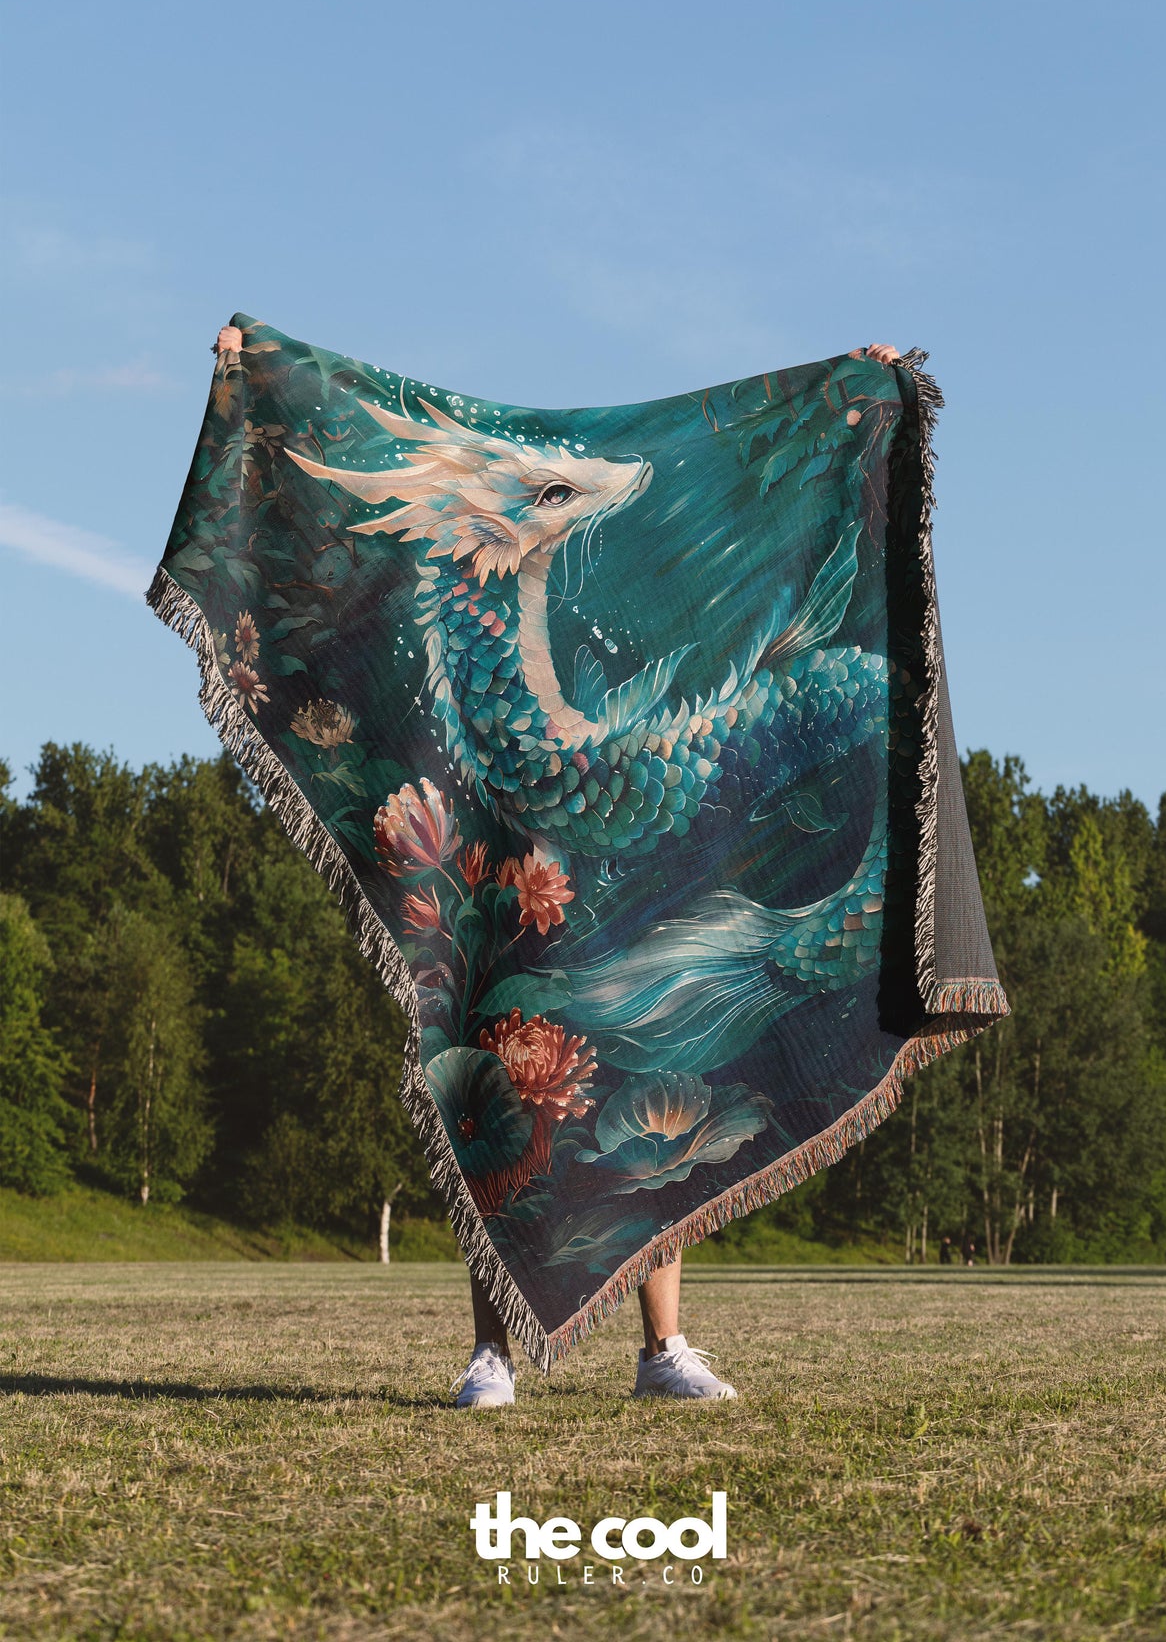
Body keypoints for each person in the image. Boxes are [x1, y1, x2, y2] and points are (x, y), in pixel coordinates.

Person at [213, 325, 901, 1408]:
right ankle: (493, 1350)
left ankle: (662, 1348)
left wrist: (856, 394)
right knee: (489, 1080)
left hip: (624, 870)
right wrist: (255, 372)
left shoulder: (625, 550)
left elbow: (709, 473)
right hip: (501, 870)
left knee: (646, 1088)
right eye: (549, 500)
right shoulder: (477, 565)